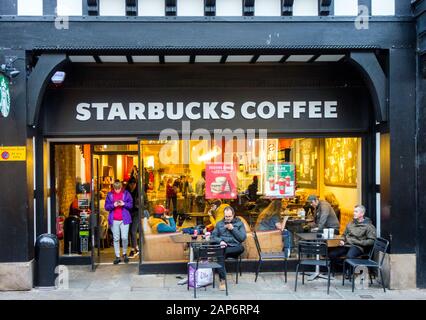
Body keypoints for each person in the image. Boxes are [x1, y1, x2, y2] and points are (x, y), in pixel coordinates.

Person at [328, 205, 377, 275]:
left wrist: (359, 242)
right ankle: (342, 268)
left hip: (358, 247)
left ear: (362, 214)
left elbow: (372, 241)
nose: (354, 213)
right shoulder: (351, 223)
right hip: (347, 245)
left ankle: (348, 272)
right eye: (354, 211)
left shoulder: (369, 226)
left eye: (356, 212)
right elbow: (344, 235)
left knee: (349, 257)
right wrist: (342, 240)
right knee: (332, 254)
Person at [211, 206, 246, 291]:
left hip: (235, 248)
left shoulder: (239, 223)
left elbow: (242, 238)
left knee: (221, 253)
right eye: (226, 216)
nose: (228, 218)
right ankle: (222, 280)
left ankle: (222, 280)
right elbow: (213, 236)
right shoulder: (219, 224)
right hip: (224, 247)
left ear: (233, 215)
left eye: (229, 216)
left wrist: (233, 229)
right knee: (220, 256)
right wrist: (220, 241)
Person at [105, 181, 133, 264]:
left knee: (124, 237)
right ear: (113, 188)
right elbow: (106, 207)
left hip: (124, 219)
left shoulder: (126, 194)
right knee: (116, 238)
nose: (117, 190)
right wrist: (113, 205)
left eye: (119, 188)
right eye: (115, 189)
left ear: (121, 187)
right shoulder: (110, 195)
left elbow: (131, 205)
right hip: (114, 219)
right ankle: (117, 256)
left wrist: (124, 203)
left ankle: (124, 253)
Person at [125, 177, 140, 259]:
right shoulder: (126, 192)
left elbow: (146, 203)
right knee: (130, 231)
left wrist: (140, 207)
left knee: (133, 231)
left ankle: (134, 249)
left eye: (134, 184)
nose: (132, 186)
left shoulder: (139, 192)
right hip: (129, 213)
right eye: (131, 184)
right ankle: (135, 248)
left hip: (137, 213)